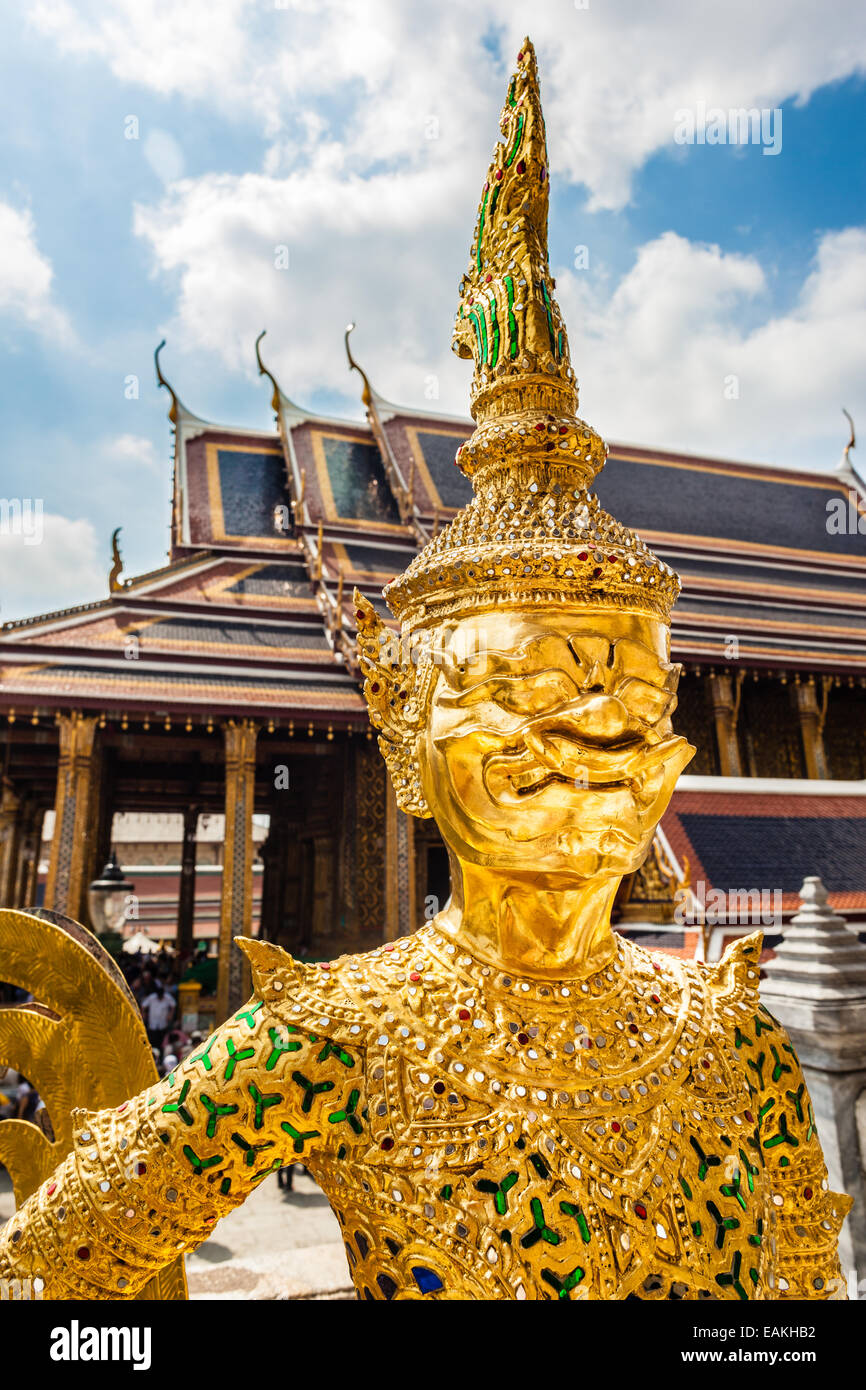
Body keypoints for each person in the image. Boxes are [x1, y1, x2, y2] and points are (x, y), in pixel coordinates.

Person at [0, 38, 851, 1302]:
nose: (585, 770)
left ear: (672, 756)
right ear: (407, 734)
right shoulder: (325, 1041)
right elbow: (60, 1288)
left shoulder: (732, 1036)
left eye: (626, 718)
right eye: (520, 715)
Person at [139, 980, 175, 1055]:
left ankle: (160, 1055)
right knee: (152, 1041)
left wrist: (170, 1014)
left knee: (162, 1042)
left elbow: (173, 1005)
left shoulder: (167, 998)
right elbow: (143, 1006)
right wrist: (143, 1014)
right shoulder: (152, 998)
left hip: (162, 1024)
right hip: (153, 1023)